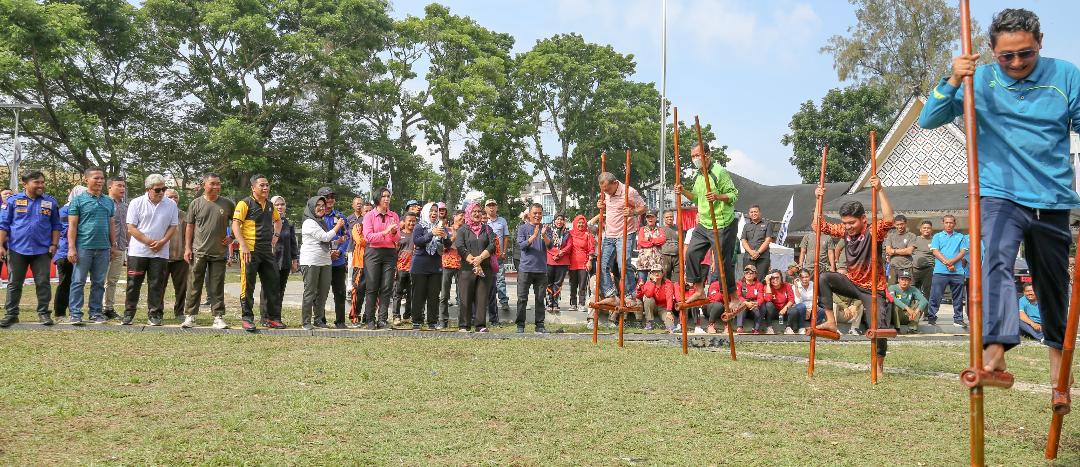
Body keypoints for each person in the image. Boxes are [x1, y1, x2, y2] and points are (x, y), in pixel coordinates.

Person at [919, 8, 1080, 393]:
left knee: (1054, 285)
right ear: (991, 51)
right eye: (1007, 55)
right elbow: (928, 119)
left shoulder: (1065, 75)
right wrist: (954, 78)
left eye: (1026, 53)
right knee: (995, 261)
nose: (1017, 62)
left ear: (1040, 43)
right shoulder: (980, 79)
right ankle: (995, 351)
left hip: (1052, 198)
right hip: (1000, 194)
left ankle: (1059, 374)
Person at [812, 176, 896, 373]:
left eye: (852, 222)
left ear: (863, 219)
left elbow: (889, 219)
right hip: (851, 283)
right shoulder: (845, 231)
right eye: (845, 223)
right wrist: (817, 200)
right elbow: (819, 226)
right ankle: (831, 321)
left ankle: (879, 364)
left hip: (873, 288)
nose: (848, 226)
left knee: (879, 326)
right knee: (824, 277)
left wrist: (881, 190)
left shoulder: (872, 231)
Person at [673, 142, 739, 306]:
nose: (695, 159)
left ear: (707, 155)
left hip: (722, 223)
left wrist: (717, 196)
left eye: (698, 155)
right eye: (693, 156)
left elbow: (734, 195)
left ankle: (734, 298)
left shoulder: (719, 172)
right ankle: (699, 290)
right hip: (704, 223)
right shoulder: (697, 175)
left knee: (722, 263)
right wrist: (683, 192)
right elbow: (696, 198)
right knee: (691, 254)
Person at [0, 171, 62, 327]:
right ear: (25, 184)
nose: (41, 185)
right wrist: (0, 245)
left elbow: (56, 225)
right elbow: (4, 225)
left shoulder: (50, 202)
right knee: (14, 283)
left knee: (43, 283)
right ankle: (11, 314)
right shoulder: (12, 201)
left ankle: (43, 314)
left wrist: (54, 244)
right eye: (37, 182)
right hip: (17, 249)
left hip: (42, 250)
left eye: (42, 182)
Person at [121, 174, 178, 326]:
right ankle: (129, 313)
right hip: (138, 251)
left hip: (160, 252)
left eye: (163, 189)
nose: (161, 192)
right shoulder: (136, 202)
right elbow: (131, 227)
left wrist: (163, 242)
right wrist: (149, 241)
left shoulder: (170, 204)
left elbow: (173, 226)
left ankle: (155, 314)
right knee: (133, 283)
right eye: (158, 190)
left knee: (156, 284)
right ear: (148, 189)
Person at [180, 173, 234, 330]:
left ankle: (218, 317)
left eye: (218, 183)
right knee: (194, 284)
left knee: (217, 285)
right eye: (212, 183)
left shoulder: (227, 204)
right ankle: (190, 316)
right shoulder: (195, 203)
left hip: (218, 252)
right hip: (199, 251)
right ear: (204, 185)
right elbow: (189, 226)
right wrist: (187, 248)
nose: (216, 186)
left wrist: (233, 238)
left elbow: (239, 222)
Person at [233, 174, 284, 331]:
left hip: (266, 251)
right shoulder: (244, 203)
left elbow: (278, 221)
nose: (265, 188)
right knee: (247, 285)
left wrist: (275, 236)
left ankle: (273, 318)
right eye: (262, 185)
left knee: (273, 283)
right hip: (249, 251)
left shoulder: (270, 205)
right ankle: (247, 318)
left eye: (267, 185)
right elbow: (235, 225)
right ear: (253, 188)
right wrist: (244, 245)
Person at [66, 167, 116, 325]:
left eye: (102, 178)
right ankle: (75, 313)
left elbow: (111, 224)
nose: (100, 181)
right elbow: (72, 226)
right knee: (78, 281)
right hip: (83, 247)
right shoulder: (78, 200)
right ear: (86, 179)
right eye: (96, 178)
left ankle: (95, 313)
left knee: (99, 282)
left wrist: (112, 246)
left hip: (103, 248)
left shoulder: (108, 201)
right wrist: (71, 247)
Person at [595, 172, 647, 308]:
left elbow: (643, 207)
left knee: (623, 264)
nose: (606, 192)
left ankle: (630, 295)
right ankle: (610, 295)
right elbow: (607, 203)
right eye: (603, 190)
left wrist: (633, 212)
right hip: (610, 234)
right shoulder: (606, 192)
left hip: (625, 233)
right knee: (602, 265)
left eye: (607, 189)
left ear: (615, 183)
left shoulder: (630, 192)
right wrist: (601, 204)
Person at [298, 195, 346, 329]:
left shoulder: (322, 222)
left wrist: (338, 241)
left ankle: (318, 320)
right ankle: (306, 322)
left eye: (323, 206)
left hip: (325, 261)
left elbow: (326, 241)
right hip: (311, 261)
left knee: (323, 293)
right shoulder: (309, 222)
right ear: (312, 207)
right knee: (310, 292)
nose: (321, 208)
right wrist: (338, 227)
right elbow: (324, 237)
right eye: (318, 205)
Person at [362, 188, 400, 329]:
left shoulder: (394, 216)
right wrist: (385, 232)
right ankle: (370, 319)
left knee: (386, 287)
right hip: (373, 252)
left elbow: (397, 239)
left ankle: (382, 319)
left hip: (389, 253)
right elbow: (368, 237)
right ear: (378, 198)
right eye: (384, 196)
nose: (386, 199)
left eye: (388, 196)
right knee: (372, 286)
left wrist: (394, 232)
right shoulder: (369, 216)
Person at [455, 203, 495, 332]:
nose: (477, 214)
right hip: (467, 269)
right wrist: (473, 261)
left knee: (481, 297)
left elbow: (492, 246)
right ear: (468, 213)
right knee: (465, 297)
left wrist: (480, 259)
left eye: (479, 211)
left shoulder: (487, 229)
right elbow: (460, 247)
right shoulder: (463, 230)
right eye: (474, 211)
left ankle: (480, 325)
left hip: (485, 268)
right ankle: (464, 325)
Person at [410, 203, 449, 330]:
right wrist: (431, 233)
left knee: (433, 295)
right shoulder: (419, 226)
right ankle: (417, 320)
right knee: (418, 295)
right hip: (420, 265)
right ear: (426, 212)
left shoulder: (441, 225)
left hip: (435, 265)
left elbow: (448, 244)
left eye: (436, 211)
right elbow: (417, 241)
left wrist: (445, 236)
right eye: (431, 211)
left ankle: (432, 321)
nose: (434, 213)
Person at [260, 195, 298, 326]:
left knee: (280, 291)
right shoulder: (266, 220)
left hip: (285, 261)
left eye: (282, 204)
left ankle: (276, 317)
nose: (280, 207)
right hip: (269, 260)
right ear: (271, 206)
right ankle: (265, 318)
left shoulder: (288, 223)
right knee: (268, 290)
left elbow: (293, 243)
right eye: (277, 205)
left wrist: (294, 259)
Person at [926, 215, 969, 327]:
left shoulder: (961, 236)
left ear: (954, 224)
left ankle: (958, 319)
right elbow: (935, 251)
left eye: (951, 222)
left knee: (958, 297)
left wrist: (951, 262)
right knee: (936, 295)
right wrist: (947, 262)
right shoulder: (937, 236)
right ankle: (931, 317)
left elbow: (963, 252)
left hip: (957, 272)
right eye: (946, 222)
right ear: (943, 223)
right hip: (940, 271)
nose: (949, 224)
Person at [516, 203, 551, 334]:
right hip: (525, 269)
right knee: (522, 299)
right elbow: (522, 246)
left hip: (541, 270)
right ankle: (520, 325)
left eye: (540, 213)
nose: (537, 215)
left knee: (540, 298)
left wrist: (544, 235)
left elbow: (551, 246)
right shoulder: (523, 228)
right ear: (529, 214)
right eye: (535, 213)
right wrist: (534, 236)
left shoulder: (546, 228)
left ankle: (540, 325)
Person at [318, 188, 350, 328]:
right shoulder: (316, 217)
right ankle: (320, 320)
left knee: (340, 292)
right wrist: (327, 253)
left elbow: (347, 236)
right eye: (326, 197)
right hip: (321, 260)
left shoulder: (340, 216)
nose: (329, 199)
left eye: (332, 196)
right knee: (321, 292)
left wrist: (340, 251)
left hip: (338, 261)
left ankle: (340, 321)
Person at [53, 186, 87, 320]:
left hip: (75, 251)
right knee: (65, 282)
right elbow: (66, 231)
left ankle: (71, 310)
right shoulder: (66, 210)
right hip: (65, 252)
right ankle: (60, 312)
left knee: (74, 282)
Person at [102, 176, 127, 320]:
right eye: (119, 186)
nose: (122, 189)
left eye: (123, 186)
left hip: (121, 247)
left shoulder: (125, 206)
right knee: (100, 279)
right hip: (105, 248)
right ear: (110, 187)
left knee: (113, 280)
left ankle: (108, 308)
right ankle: (96, 309)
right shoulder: (104, 203)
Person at [163, 189, 189, 319]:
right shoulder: (159, 213)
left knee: (181, 288)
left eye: (176, 197)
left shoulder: (184, 215)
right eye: (170, 197)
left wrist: (188, 251)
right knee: (159, 287)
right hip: (161, 257)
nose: (173, 199)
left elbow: (189, 236)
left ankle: (179, 312)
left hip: (180, 257)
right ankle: (157, 311)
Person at [484, 199, 511, 318]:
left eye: (493, 205)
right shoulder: (483, 220)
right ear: (485, 208)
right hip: (485, 255)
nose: (491, 208)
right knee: (485, 280)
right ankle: (485, 302)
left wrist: (504, 251)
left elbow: (506, 237)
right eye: (489, 206)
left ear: (496, 207)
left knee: (500, 279)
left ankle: (504, 301)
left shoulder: (502, 221)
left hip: (498, 255)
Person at [438, 210, 464, 328]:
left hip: (461, 265)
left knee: (461, 295)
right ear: (454, 217)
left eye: (464, 216)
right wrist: (453, 238)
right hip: (447, 264)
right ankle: (443, 321)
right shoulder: (446, 230)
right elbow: (441, 248)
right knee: (444, 295)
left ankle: (462, 322)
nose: (462, 218)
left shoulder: (465, 231)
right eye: (460, 216)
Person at [392, 212, 417, 325]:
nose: (411, 223)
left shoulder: (417, 235)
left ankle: (407, 316)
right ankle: (396, 316)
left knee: (412, 294)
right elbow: (394, 252)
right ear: (405, 222)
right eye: (409, 221)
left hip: (414, 269)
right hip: (400, 268)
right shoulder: (399, 235)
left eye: (413, 221)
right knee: (398, 293)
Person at [635, 266, 677, 331]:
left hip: (664, 307)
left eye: (658, 272)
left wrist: (669, 311)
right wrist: (654, 282)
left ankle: (670, 328)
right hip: (653, 307)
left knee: (670, 325)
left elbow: (669, 297)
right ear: (651, 274)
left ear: (663, 274)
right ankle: (649, 322)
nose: (656, 274)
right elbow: (648, 295)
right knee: (648, 299)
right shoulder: (649, 283)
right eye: (654, 272)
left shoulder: (668, 283)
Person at [545, 213, 572, 314]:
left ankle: (555, 303)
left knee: (558, 283)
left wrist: (560, 253)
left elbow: (569, 245)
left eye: (561, 219)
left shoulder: (567, 233)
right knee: (549, 283)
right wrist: (556, 253)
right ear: (554, 220)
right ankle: (549, 303)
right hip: (550, 260)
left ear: (564, 221)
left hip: (562, 261)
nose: (559, 221)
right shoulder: (548, 231)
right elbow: (547, 244)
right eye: (557, 219)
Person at [567, 214, 595, 313]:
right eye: (579, 223)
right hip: (572, 263)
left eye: (583, 223)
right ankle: (573, 304)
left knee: (582, 285)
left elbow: (591, 249)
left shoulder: (588, 234)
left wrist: (590, 261)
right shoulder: (570, 233)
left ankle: (581, 304)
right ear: (575, 223)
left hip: (584, 263)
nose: (581, 225)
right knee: (573, 285)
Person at [889, 270, 929, 334]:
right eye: (902, 279)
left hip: (909, 316)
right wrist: (907, 308)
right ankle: (897, 328)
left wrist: (915, 312)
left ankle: (912, 328)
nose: (904, 282)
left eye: (907, 280)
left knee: (919, 305)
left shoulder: (913, 289)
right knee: (895, 305)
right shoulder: (892, 288)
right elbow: (893, 298)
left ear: (910, 281)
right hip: (895, 317)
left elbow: (924, 300)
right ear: (898, 280)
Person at [348, 204, 368, 327]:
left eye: (371, 210)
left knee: (373, 291)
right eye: (366, 211)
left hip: (373, 264)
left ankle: (368, 315)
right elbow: (360, 241)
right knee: (358, 291)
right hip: (360, 264)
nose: (369, 212)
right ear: (362, 213)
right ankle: (355, 316)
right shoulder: (357, 226)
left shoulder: (378, 227)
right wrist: (375, 237)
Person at [740, 205, 774, 275]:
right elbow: (743, 241)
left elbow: (768, 240)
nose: (753, 214)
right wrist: (751, 252)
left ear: (760, 213)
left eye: (755, 212)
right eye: (751, 212)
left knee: (761, 279)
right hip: (748, 257)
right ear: (749, 214)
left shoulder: (767, 224)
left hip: (762, 257)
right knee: (748, 278)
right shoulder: (746, 226)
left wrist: (758, 252)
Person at [732, 264, 765, 333]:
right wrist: (746, 303)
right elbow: (738, 296)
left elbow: (761, 297)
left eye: (751, 273)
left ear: (755, 274)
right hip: (744, 305)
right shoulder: (739, 283)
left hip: (754, 305)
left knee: (762, 306)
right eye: (746, 273)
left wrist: (756, 303)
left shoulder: (759, 284)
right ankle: (739, 327)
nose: (748, 274)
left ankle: (756, 328)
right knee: (741, 305)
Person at [884, 214, 917, 284]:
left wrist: (894, 250)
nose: (900, 226)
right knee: (892, 290)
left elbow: (909, 251)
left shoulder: (911, 236)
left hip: (907, 267)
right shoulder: (890, 236)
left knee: (908, 290)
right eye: (897, 224)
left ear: (905, 223)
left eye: (902, 224)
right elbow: (888, 251)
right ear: (895, 225)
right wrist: (903, 250)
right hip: (893, 267)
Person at [636, 211, 666, 285]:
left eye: (652, 217)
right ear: (646, 219)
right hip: (643, 262)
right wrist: (655, 241)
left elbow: (662, 240)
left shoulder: (660, 230)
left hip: (657, 262)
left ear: (656, 218)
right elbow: (641, 242)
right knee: (641, 284)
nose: (650, 219)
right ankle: (640, 296)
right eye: (648, 217)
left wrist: (650, 240)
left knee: (656, 284)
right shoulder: (642, 229)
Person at [761, 268, 794, 335]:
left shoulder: (786, 285)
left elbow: (791, 299)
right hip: (773, 312)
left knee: (794, 310)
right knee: (768, 304)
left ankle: (788, 327)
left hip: (784, 311)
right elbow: (768, 299)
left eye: (777, 278)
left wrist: (785, 308)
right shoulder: (767, 287)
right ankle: (769, 327)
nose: (775, 280)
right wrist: (767, 283)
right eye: (773, 278)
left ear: (781, 278)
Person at [792, 269, 822, 335]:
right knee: (801, 306)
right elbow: (798, 301)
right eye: (802, 277)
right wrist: (796, 287)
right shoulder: (795, 286)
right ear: (799, 278)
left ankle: (814, 328)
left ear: (809, 277)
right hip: (801, 308)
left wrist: (810, 309)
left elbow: (816, 300)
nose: (805, 279)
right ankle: (801, 328)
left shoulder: (813, 285)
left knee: (821, 311)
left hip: (812, 307)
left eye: (806, 277)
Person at [911, 220, 935, 300]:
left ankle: (927, 312)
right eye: (924, 228)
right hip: (915, 269)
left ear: (931, 230)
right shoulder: (915, 239)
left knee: (927, 291)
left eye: (928, 228)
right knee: (913, 290)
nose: (926, 230)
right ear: (920, 229)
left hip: (928, 269)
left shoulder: (935, 240)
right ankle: (914, 311)